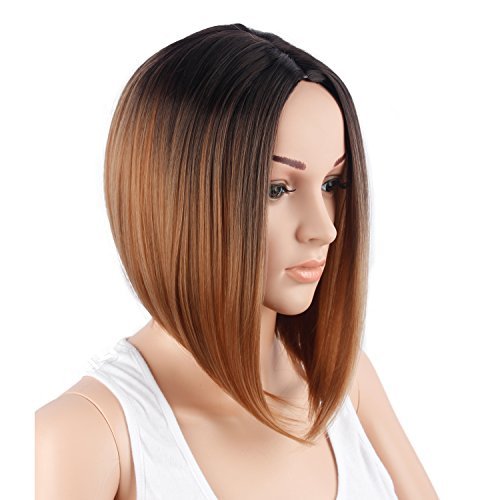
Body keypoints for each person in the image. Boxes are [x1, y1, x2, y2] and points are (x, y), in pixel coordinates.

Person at [35, 23, 438, 499]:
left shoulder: (347, 388)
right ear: (178, 198)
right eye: (277, 189)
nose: (324, 228)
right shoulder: (87, 434)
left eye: (332, 184)